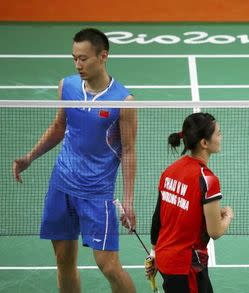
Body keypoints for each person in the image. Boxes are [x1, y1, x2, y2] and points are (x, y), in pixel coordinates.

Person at [12, 28, 137, 293]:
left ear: (103, 56)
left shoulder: (123, 100)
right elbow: (59, 127)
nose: (78, 65)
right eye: (74, 58)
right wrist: (29, 157)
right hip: (62, 185)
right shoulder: (67, 86)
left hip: (97, 192)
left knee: (110, 267)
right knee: (64, 263)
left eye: (84, 58)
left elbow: (128, 150)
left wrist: (127, 201)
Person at [145, 112, 234, 293]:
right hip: (186, 267)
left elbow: (157, 219)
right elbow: (215, 231)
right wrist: (228, 216)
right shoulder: (208, 180)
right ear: (204, 143)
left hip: (165, 259)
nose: (221, 137)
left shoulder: (169, 171)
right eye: (218, 133)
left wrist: (153, 254)